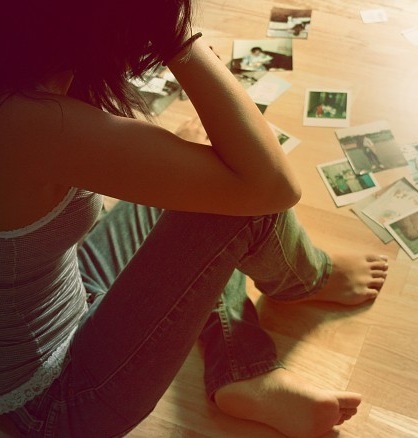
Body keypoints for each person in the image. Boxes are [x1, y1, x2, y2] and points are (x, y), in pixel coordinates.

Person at [0, 1, 389, 437]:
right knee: (238, 204)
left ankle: (240, 367)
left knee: (211, 189)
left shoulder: (23, 79)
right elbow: (272, 185)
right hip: (54, 399)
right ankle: (307, 280)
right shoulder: (28, 121)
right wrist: (177, 37)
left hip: (63, 289)